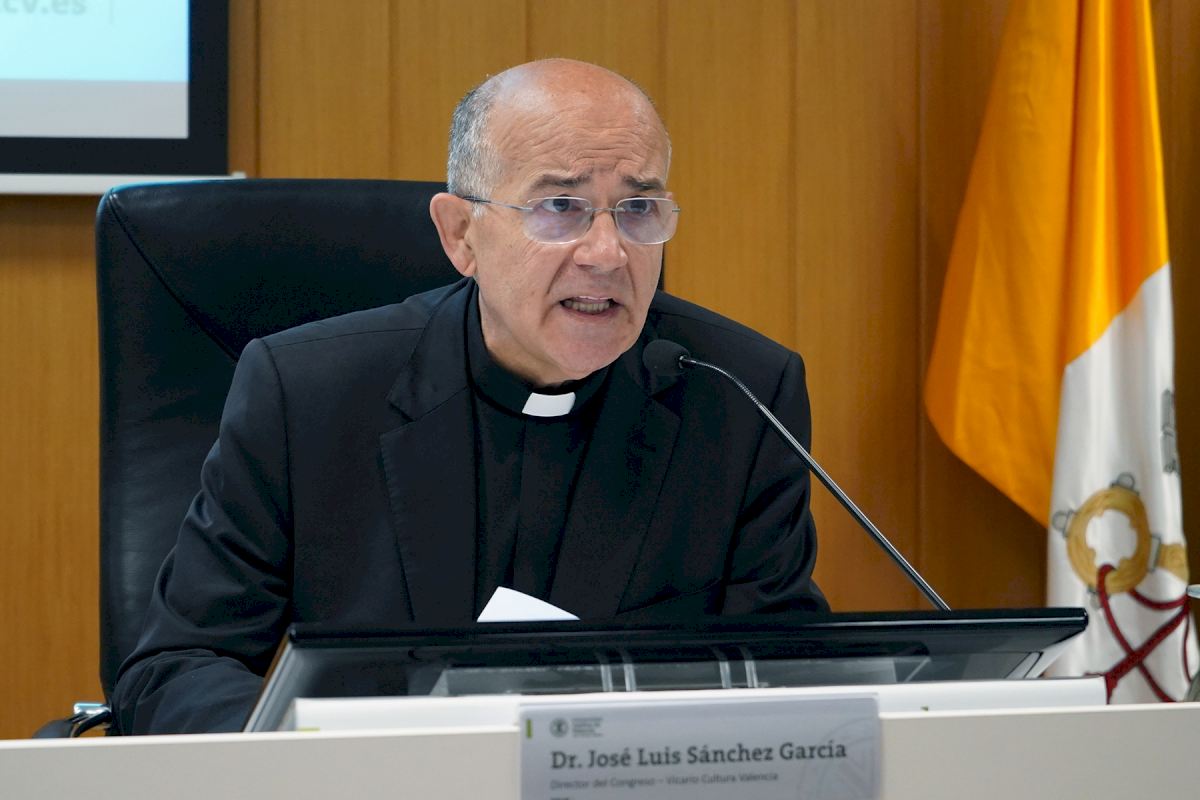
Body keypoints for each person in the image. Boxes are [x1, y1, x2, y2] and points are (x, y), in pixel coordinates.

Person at [111, 58, 826, 735]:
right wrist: (333, 758)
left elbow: (791, 678)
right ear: (461, 235)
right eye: (561, 206)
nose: (608, 253)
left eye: (638, 207)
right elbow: (175, 668)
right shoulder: (307, 395)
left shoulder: (739, 397)